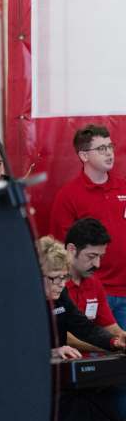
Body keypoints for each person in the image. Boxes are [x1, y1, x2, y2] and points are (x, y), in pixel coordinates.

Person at [36, 236, 126, 421]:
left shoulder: (60, 294)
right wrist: (49, 352)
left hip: (58, 378)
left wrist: (115, 342)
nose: (60, 284)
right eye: (54, 279)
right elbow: (11, 349)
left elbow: (84, 327)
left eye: (64, 278)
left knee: (100, 406)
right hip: (33, 383)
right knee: (74, 417)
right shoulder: (19, 302)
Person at [51, 125, 126, 328]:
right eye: (101, 149)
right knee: (98, 352)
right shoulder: (68, 196)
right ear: (84, 155)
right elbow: (62, 251)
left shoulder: (124, 187)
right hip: (92, 292)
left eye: (110, 146)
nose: (109, 153)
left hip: (125, 292)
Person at [63, 218, 126, 351]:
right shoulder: (53, 283)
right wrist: (110, 346)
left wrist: (122, 338)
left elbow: (109, 325)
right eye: (91, 256)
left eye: (100, 257)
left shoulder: (94, 282)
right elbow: (62, 336)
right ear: (71, 249)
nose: (97, 264)